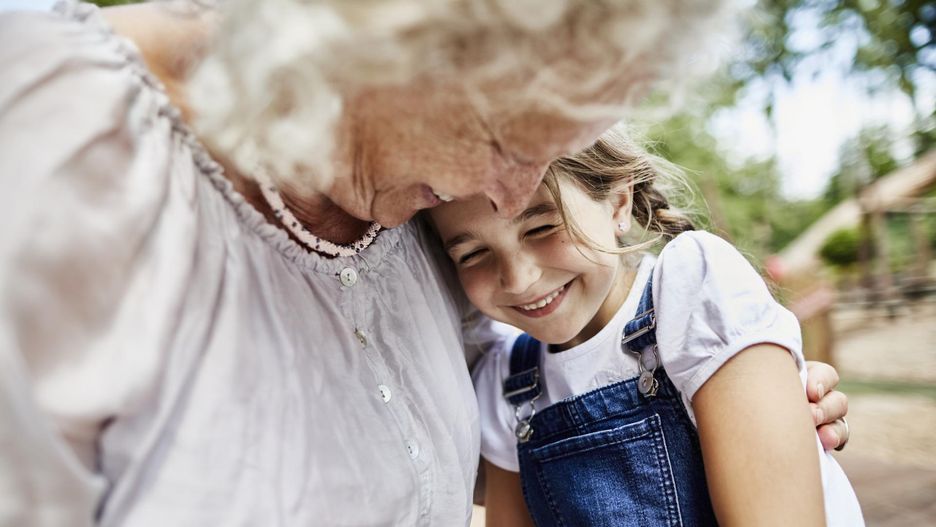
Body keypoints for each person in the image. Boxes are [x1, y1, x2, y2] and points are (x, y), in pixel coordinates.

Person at [0, 0, 850, 525]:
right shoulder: (50, 133)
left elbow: (468, 448)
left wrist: (742, 401)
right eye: (499, 134)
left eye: (556, 146)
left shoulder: (414, 194)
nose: (508, 192)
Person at [427, 128, 864, 526]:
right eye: (472, 255)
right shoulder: (506, 382)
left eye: (542, 226)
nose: (518, 278)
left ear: (618, 203)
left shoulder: (692, 286)